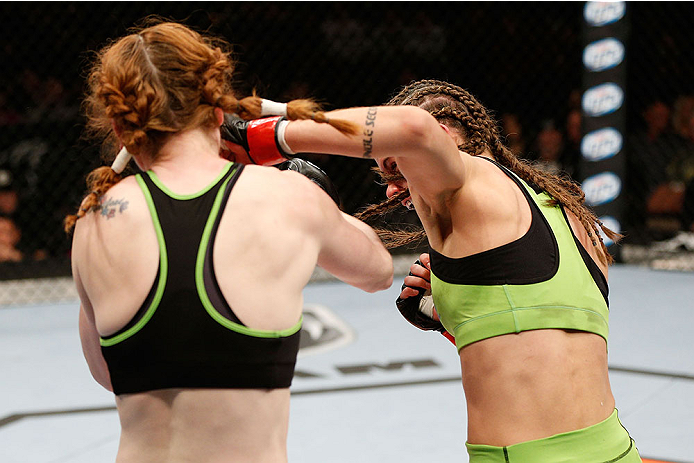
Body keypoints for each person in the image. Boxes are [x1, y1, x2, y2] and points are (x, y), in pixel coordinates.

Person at [221, 79, 642, 461]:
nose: (392, 185)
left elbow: (414, 129)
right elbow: (547, 340)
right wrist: (453, 317)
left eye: (396, 164)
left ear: (446, 139)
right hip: (614, 449)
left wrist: (269, 135)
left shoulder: (468, 179)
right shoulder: (564, 213)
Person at [65, 20, 393, 463]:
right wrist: (307, 185)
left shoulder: (94, 220)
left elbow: (106, 372)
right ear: (219, 110)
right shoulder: (286, 197)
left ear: (120, 130)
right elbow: (377, 271)